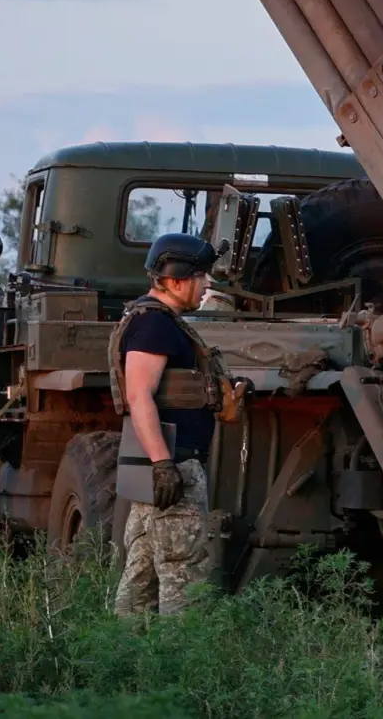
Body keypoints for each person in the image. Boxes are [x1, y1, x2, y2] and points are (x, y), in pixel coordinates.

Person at [108, 232, 249, 616]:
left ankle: (124, 662)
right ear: (174, 280)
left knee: (141, 577)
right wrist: (163, 464)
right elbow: (140, 395)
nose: (206, 285)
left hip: (158, 468)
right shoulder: (155, 326)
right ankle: (179, 667)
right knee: (185, 579)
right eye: (200, 276)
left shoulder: (155, 321)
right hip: (172, 468)